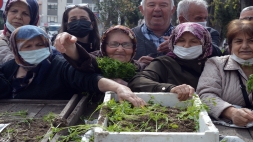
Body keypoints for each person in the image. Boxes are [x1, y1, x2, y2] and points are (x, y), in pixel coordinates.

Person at [0, 25, 145, 107]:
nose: (35, 50)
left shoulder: (58, 65)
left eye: (40, 45)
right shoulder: (8, 68)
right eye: (27, 46)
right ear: (16, 50)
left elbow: (88, 79)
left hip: (53, 127)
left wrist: (118, 88)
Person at [196, 20, 253, 127]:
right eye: (238, 41)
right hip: (226, 129)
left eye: (252, 41)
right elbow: (205, 96)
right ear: (230, 46)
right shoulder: (216, 64)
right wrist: (231, 112)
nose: (245, 46)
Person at [128, 22, 212, 101]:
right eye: (181, 40)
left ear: (204, 44)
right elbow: (138, 81)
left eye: (194, 41)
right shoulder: (164, 63)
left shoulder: (212, 66)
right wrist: (169, 88)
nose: (186, 46)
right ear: (173, 42)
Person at [54, 25, 147, 86]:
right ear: (104, 46)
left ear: (134, 48)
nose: (120, 49)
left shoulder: (138, 67)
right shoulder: (97, 60)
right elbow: (86, 60)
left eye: (126, 44)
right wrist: (71, 47)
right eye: (114, 44)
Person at [157, 0, 222, 57]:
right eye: (198, 18)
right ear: (182, 19)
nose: (203, 22)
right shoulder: (170, 33)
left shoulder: (210, 33)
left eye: (205, 18)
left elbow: (217, 53)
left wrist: (177, 47)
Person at [0, 0, 39, 65]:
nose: (18, 17)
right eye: (14, 11)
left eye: (25, 13)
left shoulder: (40, 42)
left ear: (33, 19)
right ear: (6, 13)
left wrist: (2, 46)